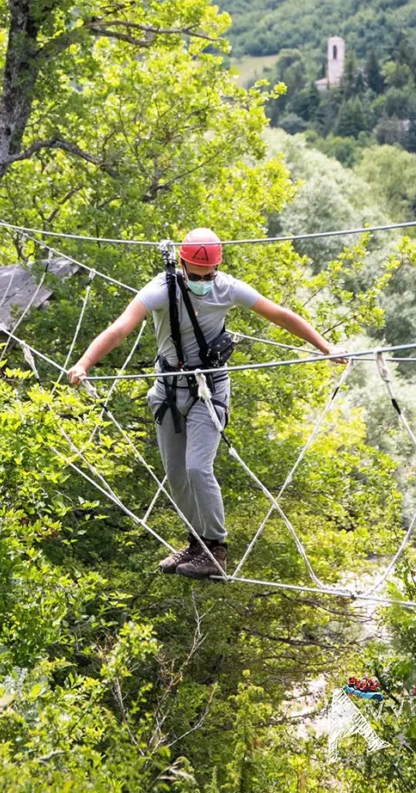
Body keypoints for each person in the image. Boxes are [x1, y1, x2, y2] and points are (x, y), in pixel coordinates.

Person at [67, 227, 343, 580]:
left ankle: (216, 549)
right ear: (181, 264)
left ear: (217, 269)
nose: (202, 281)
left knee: (199, 467)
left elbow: (280, 314)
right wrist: (84, 363)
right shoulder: (160, 289)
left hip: (208, 391)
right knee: (177, 476)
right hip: (168, 390)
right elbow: (121, 328)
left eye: (207, 275)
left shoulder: (227, 287)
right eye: (195, 276)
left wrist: (327, 347)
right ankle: (196, 543)